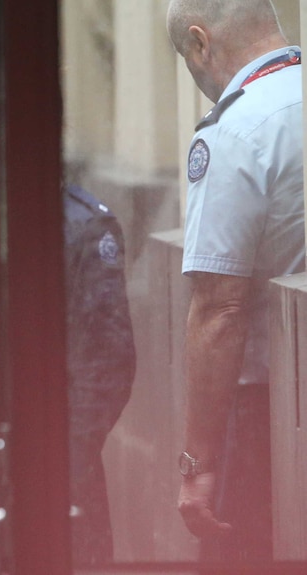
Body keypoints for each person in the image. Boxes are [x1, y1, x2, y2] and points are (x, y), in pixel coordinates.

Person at [0, 76, 136, 572]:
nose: (0, 146)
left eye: (15, 129)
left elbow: (108, 366)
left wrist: (61, 465)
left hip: (57, 465)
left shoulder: (85, 227)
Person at [166, 0, 304, 562]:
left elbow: (220, 309)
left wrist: (198, 465)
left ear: (200, 43)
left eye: (186, 58)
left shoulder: (234, 131)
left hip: (269, 411)